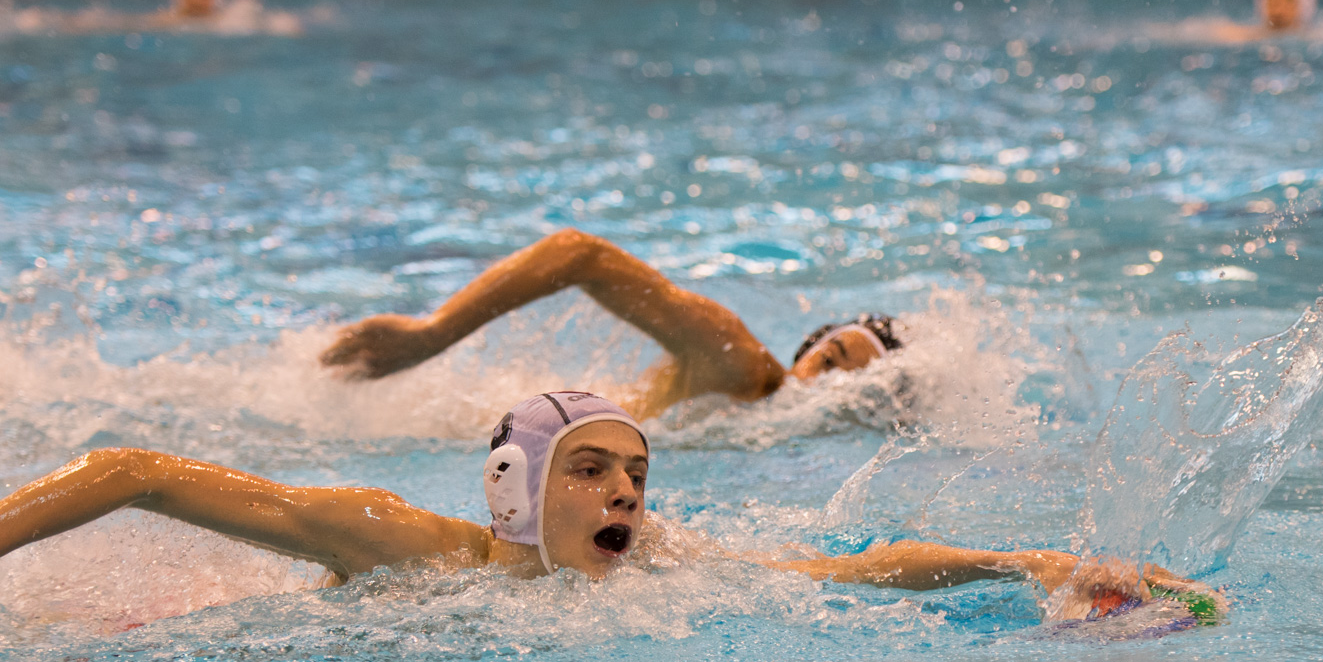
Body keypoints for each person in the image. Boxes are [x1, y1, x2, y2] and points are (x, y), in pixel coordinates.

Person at [0, 391, 1219, 632]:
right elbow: (133, 468)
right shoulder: (399, 539)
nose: (625, 496)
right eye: (592, 472)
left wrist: (1032, 561)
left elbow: (846, 571)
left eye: (637, 477)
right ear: (516, 489)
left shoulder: (656, 567)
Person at [320, 229, 906, 421]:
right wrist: (431, 335)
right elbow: (581, 254)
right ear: (807, 349)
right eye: (830, 361)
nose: (828, 385)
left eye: (857, 382)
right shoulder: (744, 368)